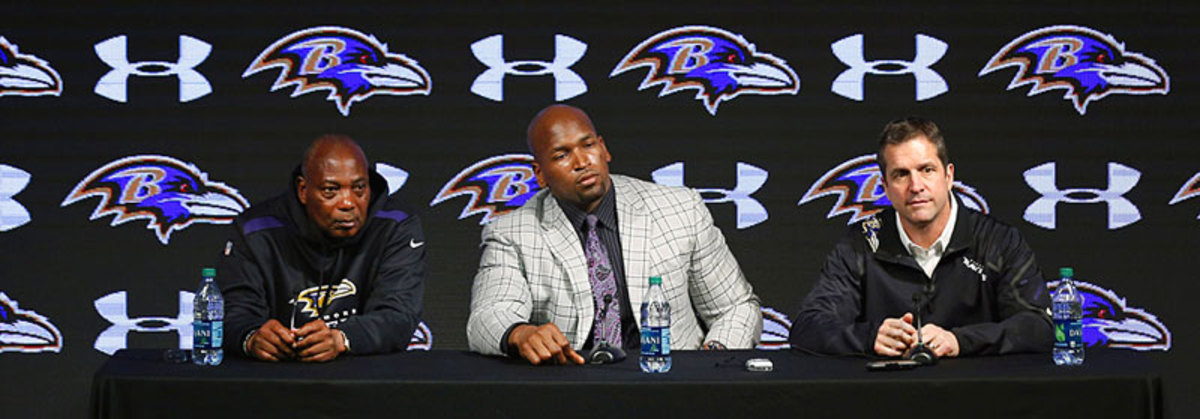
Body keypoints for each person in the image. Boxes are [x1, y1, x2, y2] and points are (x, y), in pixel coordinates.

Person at [467, 104, 761, 365]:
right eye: (562, 154)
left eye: (588, 145)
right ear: (540, 174)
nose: (582, 162)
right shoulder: (512, 233)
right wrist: (519, 333)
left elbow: (736, 307)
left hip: (672, 383)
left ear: (604, 149)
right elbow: (489, 315)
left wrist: (711, 362)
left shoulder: (680, 208)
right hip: (570, 390)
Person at [790, 117, 1052, 358]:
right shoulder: (861, 243)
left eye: (926, 170)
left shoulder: (999, 241)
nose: (916, 186)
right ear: (885, 188)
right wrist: (870, 338)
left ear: (949, 176)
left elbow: (1039, 325)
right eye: (901, 174)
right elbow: (808, 327)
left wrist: (960, 341)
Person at [217, 135, 427, 362]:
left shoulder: (396, 225)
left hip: (366, 380)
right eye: (330, 190)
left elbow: (399, 315)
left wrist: (341, 339)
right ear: (303, 190)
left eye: (359, 188)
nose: (348, 203)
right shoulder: (255, 229)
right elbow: (231, 313)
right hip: (275, 378)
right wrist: (252, 337)